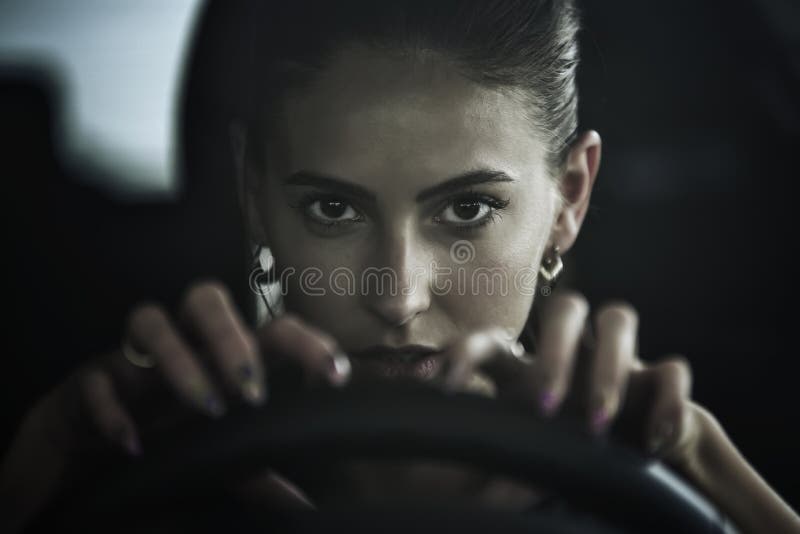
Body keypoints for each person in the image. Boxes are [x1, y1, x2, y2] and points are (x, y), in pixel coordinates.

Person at [1, 1, 799, 532]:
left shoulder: (676, 498)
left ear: (569, 197)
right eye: (334, 210)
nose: (397, 294)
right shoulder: (146, 489)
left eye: (467, 210)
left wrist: (710, 483)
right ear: (254, 194)